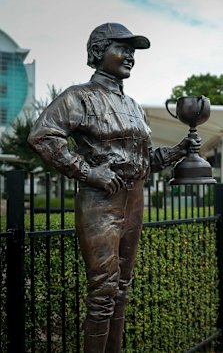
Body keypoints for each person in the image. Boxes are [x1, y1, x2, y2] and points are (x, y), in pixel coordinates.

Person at [27, 23, 192, 353]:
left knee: (122, 288)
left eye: (133, 50)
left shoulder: (133, 105)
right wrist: (88, 172)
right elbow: (42, 136)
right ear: (98, 52)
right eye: (123, 48)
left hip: (134, 199)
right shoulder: (79, 97)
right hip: (100, 202)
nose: (130, 55)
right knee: (103, 291)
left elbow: (143, 159)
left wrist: (178, 151)